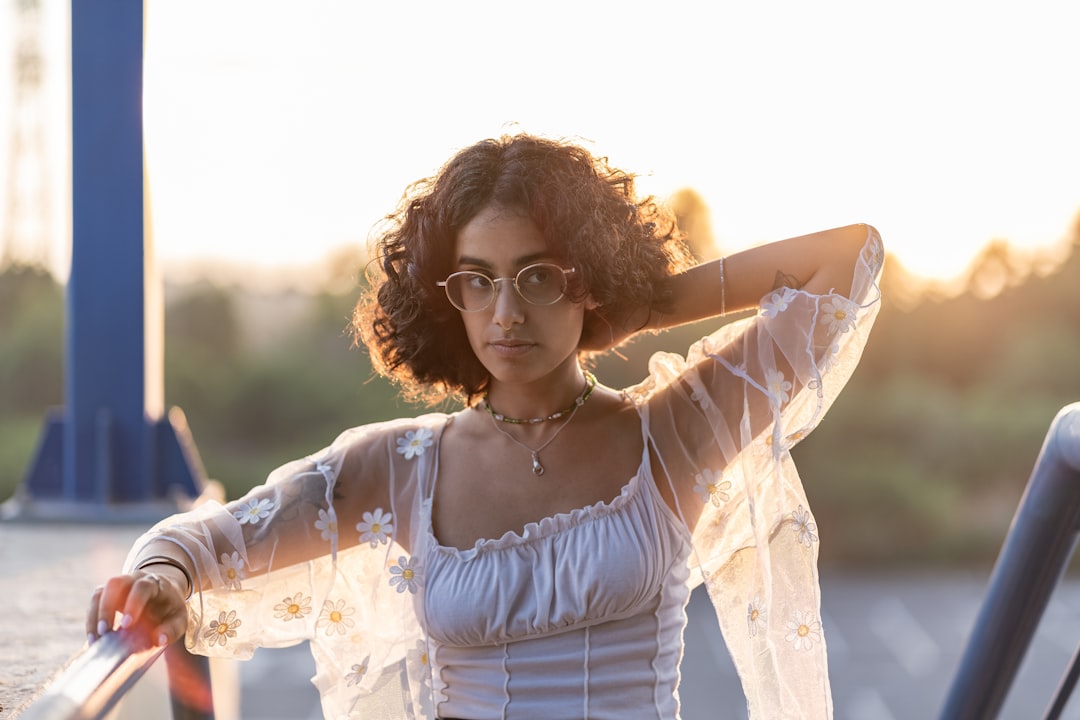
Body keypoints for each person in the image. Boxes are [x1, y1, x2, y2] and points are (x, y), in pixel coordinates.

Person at [86, 133, 883, 719]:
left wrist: (638, 302)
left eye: (539, 277)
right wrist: (158, 578)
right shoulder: (398, 470)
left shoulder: (676, 435)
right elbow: (199, 545)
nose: (506, 314)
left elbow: (847, 259)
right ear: (448, 297)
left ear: (586, 282)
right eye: (478, 281)